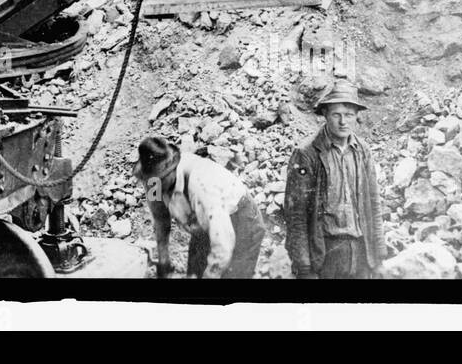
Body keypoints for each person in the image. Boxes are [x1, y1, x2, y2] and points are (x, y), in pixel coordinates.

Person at [283, 80, 386, 280]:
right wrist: (303, 267)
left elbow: (374, 204)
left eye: (349, 115)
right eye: (336, 115)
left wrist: (379, 255)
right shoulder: (307, 154)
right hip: (325, 252)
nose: (343, 122)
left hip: (360, 251)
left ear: (357, 117)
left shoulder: (363, 151)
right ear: (325, 116)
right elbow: (296, 214)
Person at [135, 135, 266, 279]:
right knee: (194, 274)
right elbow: (160, 216)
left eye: (158, 180)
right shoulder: (154, 181)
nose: (154, 186)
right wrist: (163, 257)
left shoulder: (201, 185)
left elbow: (223, 247)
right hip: (202, 223)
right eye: (150, 180)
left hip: (241, 219)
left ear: (171, 171)